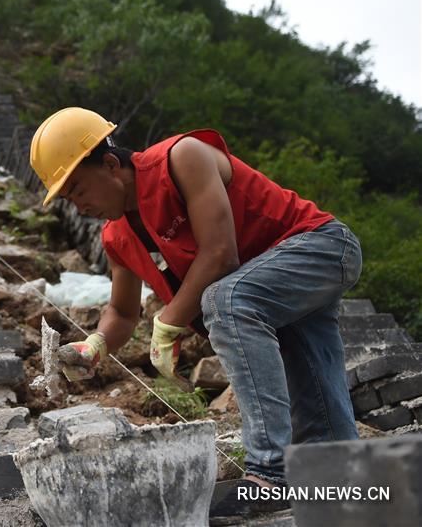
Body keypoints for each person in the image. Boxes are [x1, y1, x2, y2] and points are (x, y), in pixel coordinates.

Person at [29, 107, 362, 518]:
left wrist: (168, 321)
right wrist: (95, 345)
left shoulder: (182, 158)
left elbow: (221, 253)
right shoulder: (117, 235)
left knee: (224, 301)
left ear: (111, 165)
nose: (79, 206)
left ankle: (269, 474)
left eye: (78, 190)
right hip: (270, 286)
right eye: (68, 199)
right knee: (321, 411)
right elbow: (121, 310)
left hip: (321, 248)